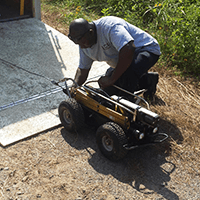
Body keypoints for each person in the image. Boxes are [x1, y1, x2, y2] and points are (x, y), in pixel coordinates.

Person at [68, 16, 161, 100]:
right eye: (76, 42)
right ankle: (148, 80)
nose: (80, 46)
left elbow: (129, 48)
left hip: (146, 49)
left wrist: (111, 79)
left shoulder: (109, 26)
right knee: (110, 87)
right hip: (127, 57)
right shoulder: (84, 44)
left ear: (90, 33)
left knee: (125, 76)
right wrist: (74, 86)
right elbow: (83, 69)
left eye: (80, 41)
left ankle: (127, 104)